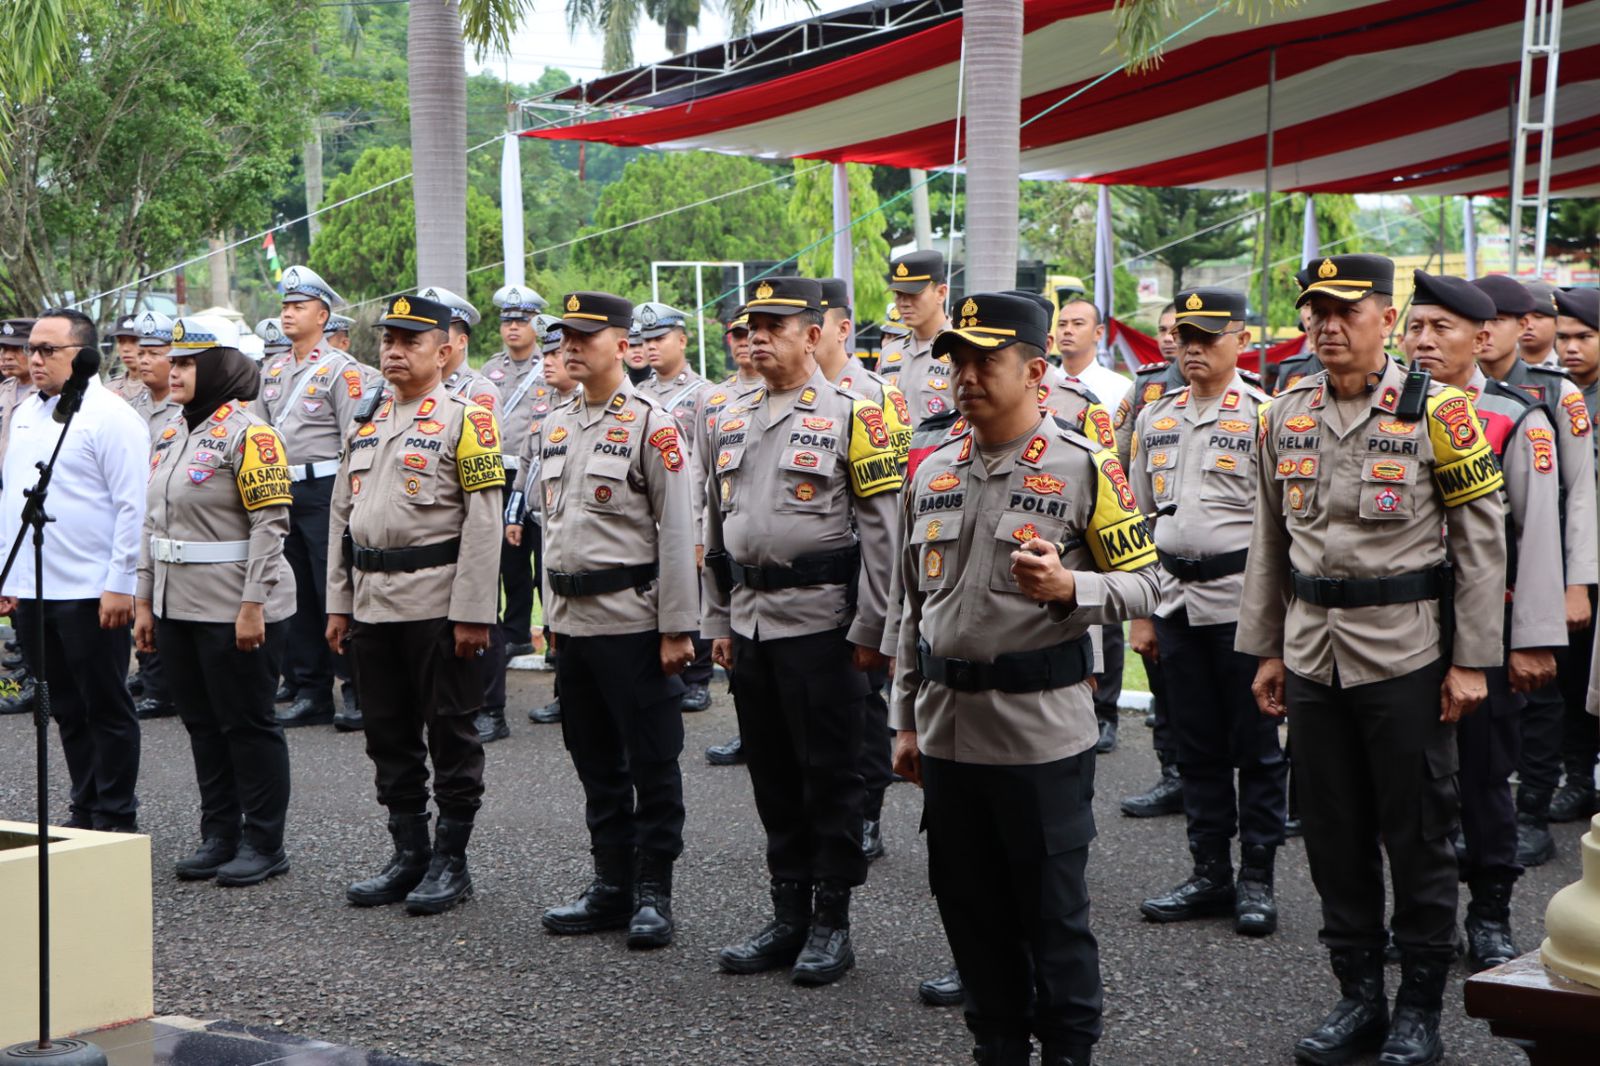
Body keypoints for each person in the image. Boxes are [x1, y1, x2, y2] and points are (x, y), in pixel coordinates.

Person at [1237, 254, 1507, 1066]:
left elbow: (1482, 545)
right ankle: (1358, 997)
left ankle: (1419, 1005)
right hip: (1315, 654)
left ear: (1385, 320)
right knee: (1331, 832)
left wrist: (1471, 662)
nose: (1326, 325)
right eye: (1315, 311)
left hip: (1407, 654)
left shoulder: (1441, 412)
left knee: (1419, 832)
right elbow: (1269, 544)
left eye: (1345, 311)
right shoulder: (1284, 413)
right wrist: (1266, 651)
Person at [891, 291, 1159, 1066]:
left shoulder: (1083, 466)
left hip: (1040, 733)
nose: (965, 376)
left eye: (986, 361)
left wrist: (1072, 587)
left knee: (1052, 918)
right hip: (947, 730)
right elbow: (913, 610)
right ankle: (997, 1046)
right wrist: (904, 721)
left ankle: (1069, 1053)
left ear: (1036, 370)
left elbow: (1147, 586)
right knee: (969, 913)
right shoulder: (933, 465)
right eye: (957, 362)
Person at [704, 276, 901, 986]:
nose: (757, 336)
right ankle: (786, 914)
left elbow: (884, 534)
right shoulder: (727, 415)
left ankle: (830, 921)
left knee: (831, 776)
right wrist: (718, 618)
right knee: (773, 775)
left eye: (775, 325)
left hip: (825, 624)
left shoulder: (859, 411)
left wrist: (875, 630)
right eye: (750, 325)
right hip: (752, 623)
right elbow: (713, 529)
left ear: (815, 334)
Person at [1400, 271, 1565, 973]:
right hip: (1397, 629)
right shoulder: (1390, 410)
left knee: (1484, 775)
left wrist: (1530, 637)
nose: (1425, 341)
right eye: (1416, 327)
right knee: (1405, 784)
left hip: (1484, 632)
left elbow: (1537, 537)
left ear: (1479, 336)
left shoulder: (1514, 416)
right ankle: (1415, 917)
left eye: (1443, 328)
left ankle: (1491, 913)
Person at [327, 293, 503, 916]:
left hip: (436, 601)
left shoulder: (468, 418)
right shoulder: (368, 421)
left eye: (410, 342)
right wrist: (338, 602)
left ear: (445, 350)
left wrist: (474, 612)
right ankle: (408, 854)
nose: (394, 352)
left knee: (451, 733)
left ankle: (451, 862)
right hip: (372, 603)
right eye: (388, 341)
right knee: (387, 734)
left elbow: (484, 522)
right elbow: (340, 519)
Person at [531, 291, 698, 948]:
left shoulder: (652, 423)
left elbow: (679, 530)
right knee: (595, 761)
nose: (571, 347)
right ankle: (611, 885)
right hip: (573, 622)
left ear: (623, 346)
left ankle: (654, 891)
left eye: (586, 336)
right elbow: (555, 528)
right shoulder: (555, 422)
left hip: (633, 621)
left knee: (652, 762)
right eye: (565, 336)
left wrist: (677, 628)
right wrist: (549, 620)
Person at [1124, 288, 1286, 938]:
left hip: (1243, 605)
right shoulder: (1154, 416)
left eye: (1208, 337)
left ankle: (1257, 880)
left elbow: (1285, 528)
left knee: (1257, 750)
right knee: (1195, 748)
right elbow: (1136, 520)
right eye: (1185, 336)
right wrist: (1140, 612)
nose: (1192, 348)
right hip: (1172, 602)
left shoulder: (1268, 416)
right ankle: (1209, 871)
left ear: (1240, 340)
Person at [134, 314, 297, 886]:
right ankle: (219, 833)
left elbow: (271, 526)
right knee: (203, 724)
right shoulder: (174, 432)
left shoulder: (252, 434)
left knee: (247, 724)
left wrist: (253, 603)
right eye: (172, 361)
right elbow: (153, 524)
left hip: (235, 604)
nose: (173, 371)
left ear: (216, 367)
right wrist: (144, 601)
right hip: (179, 604)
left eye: (185, 363)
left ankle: (263, 841)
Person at [0, 308, 150, 831]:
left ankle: (115, 811)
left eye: (47, 350)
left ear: (82, 356)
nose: (32, 359)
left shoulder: (110, 416)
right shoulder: (26, 414)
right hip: (36, 585)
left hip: (91, 589)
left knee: (105, 705)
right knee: (63, 705)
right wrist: (9, 576)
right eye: (30, 349)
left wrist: (120, 584)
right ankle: (85, 805)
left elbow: (133, 507)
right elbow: (12, 500)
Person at [1472, 273, 1598, 868]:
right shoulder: (1447, 391)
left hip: (1540, 570)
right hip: (1473, 578)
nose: (1487, 327)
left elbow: (1580, 495)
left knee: (1542, 695)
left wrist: (1576, 584)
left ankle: (1532, 816)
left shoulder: (1556, 393)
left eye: (1497, 317)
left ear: (1522, 326)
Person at [815, 276, 911, 863]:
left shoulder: (878, 397)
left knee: (862, 696)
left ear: (841, 329)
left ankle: (869, 808)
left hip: (858, 570)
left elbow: (888, 510)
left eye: (814, 325)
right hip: (805, 579)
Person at [261, 265, 376, 731]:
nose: (288, 314)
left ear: (323, 315)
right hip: (281, 489)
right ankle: (311, 691)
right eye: (285, 306)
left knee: (335, 588)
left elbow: (356, 439)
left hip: (326, 490)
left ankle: (356, 689)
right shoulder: (270, 369)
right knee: (297, 593)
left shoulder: (341, 371)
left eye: (298, 307)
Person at [419, 284, 518, 744]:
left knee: (481, 609)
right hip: (425, 521)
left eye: (445, 332)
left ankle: (491, 707)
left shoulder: (479, 392)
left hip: (466, 514)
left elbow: (481, 468)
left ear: (459, 340)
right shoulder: (413, 389)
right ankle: (449, 699)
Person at [1117, 302, 1186, 821]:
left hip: (1226, 576)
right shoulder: (1145, 391)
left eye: (1178, 332)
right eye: (1164, 331)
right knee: (1164, 676)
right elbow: (1120, 464)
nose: (1171, 341)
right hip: (1160, 563)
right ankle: (1172, 775)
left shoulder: (1256, 401)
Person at [634, 301, 719, 714]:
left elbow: (706, 462)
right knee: (656, 588)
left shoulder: (705, 393)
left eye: (659, 338)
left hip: (689, 506)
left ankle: (698, 678)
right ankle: (663, 672)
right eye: (645, 340)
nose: (651, 347)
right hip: (648, 510)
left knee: (695, 594)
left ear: (682, 341)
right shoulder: (638, 394)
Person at [701, 309, 768, 767]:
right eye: (739, 333)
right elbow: (703, 478)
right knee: (740, 657)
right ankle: (747, 735)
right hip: (729, 537)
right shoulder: (716, 400)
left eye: (754, 333)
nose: (746, 341)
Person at [505, 315, 574, 725]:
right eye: (545, 353)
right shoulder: (544, 404)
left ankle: (577, 694)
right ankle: (564, 692)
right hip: (538, 517)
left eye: (556, 354)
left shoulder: (585, 405)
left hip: (573, 525)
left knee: (570, 609)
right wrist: (515, 513)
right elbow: (527, 466)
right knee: (551, 610)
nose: (547, 362)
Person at [480, 285, 549, 671]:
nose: (513, 327)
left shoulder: (549, 364)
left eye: (521, 320)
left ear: (535, 325)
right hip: (498, 471)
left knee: (543, 556)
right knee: (509, 558)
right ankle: (517, 633)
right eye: (507, 320)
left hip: (537, 472)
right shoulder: (490, 369)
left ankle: (550, 633)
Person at [1551, 286, 1600, 823]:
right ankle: (1577, 778)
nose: (1570, 348)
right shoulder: (1555, 396)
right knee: (1571, 677)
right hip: (1570, 558)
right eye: (1563, 337)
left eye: (1584, 337)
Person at [127, 311, 182, 722]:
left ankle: (165, 687)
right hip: (135, 513)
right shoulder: (129, 406)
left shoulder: (186, 409)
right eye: (141, 352)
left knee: (165, 599)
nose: (145, 360)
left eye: (155, 353)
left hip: (172, 515)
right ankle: (150, 678)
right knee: (138, 596)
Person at [877, 250, 953, 422]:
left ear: (941, 293)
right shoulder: (889, 353)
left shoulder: (960, 349)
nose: (903, 303)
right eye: (899, 294)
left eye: (913, 294)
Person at [106, 314, 150, 402]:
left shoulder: (160, 388)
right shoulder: (109, 389)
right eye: (121, 341)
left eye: (134, 341)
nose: (126, 349)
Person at [1519, 279, 1561, 366]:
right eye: (1521, 317)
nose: (1528, 326)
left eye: (1538, 317)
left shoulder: (1571, 370)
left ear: (1558, 322)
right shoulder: (1497, 369)